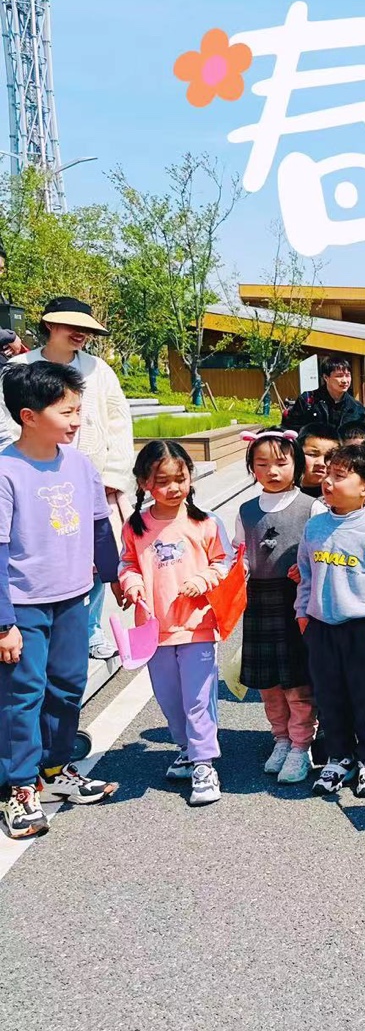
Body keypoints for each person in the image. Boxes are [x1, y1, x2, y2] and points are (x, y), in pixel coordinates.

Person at [0, 362, 121, 839]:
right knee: (22, 695)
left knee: (68, 686)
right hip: (23, 605)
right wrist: (3, 623)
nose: (76, 421)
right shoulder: (6, 471)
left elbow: (99, 526)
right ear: (29, 416)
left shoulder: (79, 464)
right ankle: (18, 787)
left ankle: (54, 770)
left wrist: (116, 578)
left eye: (78, 410)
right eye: (66, 412)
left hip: (73, 597)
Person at [2, 297, 134, 660]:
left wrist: (113, 474)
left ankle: (89, 629)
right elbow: (4, 421)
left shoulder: (98, 369)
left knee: (92, 551)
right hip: (29, 479)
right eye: (71, 326)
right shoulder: (19, 368)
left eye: (86, 329)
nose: (80, 334)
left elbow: (119, 422)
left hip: (88, 478)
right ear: (49, 325)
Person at [118, 442, 229, 806]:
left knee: (198, 698)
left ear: (190, 477)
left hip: (197, 626)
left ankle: (204, 763)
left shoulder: (205, 522)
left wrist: (204, 579)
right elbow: (127, 564)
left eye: (180, 479)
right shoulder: (135, 526)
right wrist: (132, 583)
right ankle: (186, 748)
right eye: (163, 481)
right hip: (154, 631)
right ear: (143, 483)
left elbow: (223, 562)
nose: (174, 488)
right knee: (169, 698)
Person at [296, 445, 365, 798]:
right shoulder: (314, 527)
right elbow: (305, 574)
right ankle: (339, 758)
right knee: (329, 697)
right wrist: (303, 612)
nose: (328, 481)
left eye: (340, 476)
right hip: (321, 628)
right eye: (328, 473)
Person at [235, 429, 325, 785]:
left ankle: (302, 745)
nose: (272, 471)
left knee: (296, 680)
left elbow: (323, 552)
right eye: (261, 463)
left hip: (297, 601)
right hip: (259, 600)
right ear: (251, 467)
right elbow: (239, 555)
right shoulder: (246, 511)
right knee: (268, 681)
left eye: (281, 463)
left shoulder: (312, 507)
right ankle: (281, 738)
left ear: (296, 464)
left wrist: (307, 568)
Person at [281, 356, 365, 432]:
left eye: (348, 375)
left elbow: (362, 437)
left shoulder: (357, 408)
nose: (345, 381)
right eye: (339, 376)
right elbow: (290, 430)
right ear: (326, 377)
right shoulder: (307, 400)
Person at [297, 423, 340, 499]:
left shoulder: (341, 499)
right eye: (312, 455)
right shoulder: (282, 493)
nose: (321, 463)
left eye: (329, 457)